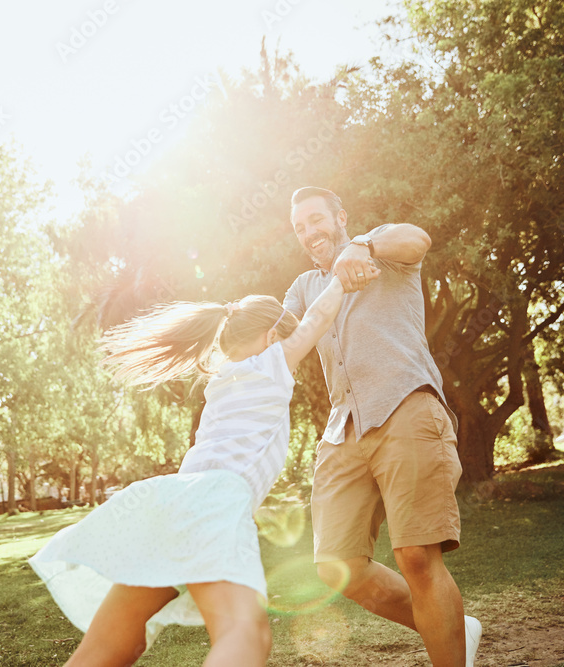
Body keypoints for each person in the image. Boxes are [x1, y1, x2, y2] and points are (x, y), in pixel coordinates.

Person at [29, 271, 376, 667]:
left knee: (114, 645)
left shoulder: (224, 375)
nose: (295, 363)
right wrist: (340, 282)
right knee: (246, 635)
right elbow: (316, 320)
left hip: (175, 499)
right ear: (271, 339)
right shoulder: (270, 364)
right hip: (216, 501)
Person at [283, 186, 482, 667]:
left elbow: (419, 238)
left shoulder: (384, 249)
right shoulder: (304, 287)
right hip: (342, 430)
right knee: (338, 566)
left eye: (316, 220)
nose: (310, 232)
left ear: (340, 216)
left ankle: (450, 651)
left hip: (405, 407)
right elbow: (280, 333)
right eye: (300, 227)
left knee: (416, 556)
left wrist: (363, 246)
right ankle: (455, 627)